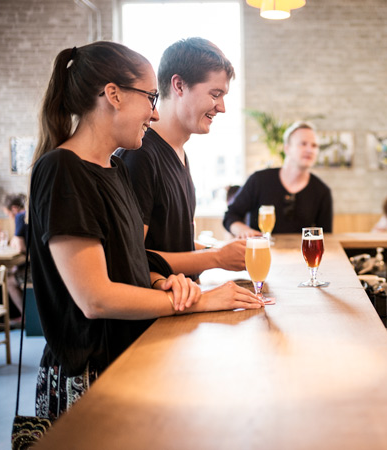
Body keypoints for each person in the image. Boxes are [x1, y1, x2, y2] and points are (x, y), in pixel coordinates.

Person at [30, 42, 262, 421]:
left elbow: (131, 258)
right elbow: (95, 298)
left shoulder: (115, 169)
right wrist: (197, 300)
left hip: (127, 359)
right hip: (88, 376)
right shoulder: (62, 170)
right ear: (113, 95)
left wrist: (159, 282)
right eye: (151, 98)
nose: (155, 114)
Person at [116, 38, 244, 279]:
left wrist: (221, 251)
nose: (222, 107)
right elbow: (132, 258)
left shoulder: (180, 153)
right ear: (179, 85)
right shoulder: (139, 155)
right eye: (216, 94)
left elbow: (173, 244)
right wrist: (216, 257)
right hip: (158, 313)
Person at [223, 121, 333, 237]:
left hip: (300, 254)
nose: (310, 149)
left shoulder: (322, 191)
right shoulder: (259, 180)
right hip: (261, 251)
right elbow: (230, 215)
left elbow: (326, 236)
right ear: (287, 148)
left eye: (314, 145)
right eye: (303, 144)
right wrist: (243, 230)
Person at [1, 193, 28, 316]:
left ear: (14, 209)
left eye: (8, 215)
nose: (10, 218)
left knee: (9, 280)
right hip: (44, 265)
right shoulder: (30, 213)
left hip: (38, 269)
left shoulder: (20, 216)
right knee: (13, 270)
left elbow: (20, 247)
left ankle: (26, 318)